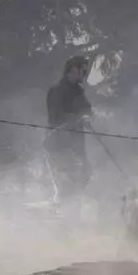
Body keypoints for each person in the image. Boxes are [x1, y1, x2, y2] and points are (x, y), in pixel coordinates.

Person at [45, 55, 94, 204]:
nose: (85, 75)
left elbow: (87, 110)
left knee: (86, 173)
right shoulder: (56, 91)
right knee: (67, 183)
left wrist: (87, 116)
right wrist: (78, 118)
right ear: (73, 70)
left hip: (76, 146)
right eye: (83, 71)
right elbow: (56, 117)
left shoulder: (79, 92)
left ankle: (66, 209)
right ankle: (61, 212)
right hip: (58, 146)